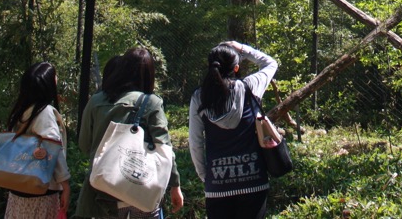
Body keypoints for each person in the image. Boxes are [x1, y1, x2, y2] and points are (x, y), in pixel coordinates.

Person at [75, 47, 183, 219]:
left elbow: (84, 145)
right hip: (141, 191)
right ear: (149, 74)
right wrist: (175, 185)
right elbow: (165, 148)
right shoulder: (152, 103)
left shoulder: (96, 101)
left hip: (102, 193)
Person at [188, 41, 279, 219]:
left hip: (217, 185)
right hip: (254, 181)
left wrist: (205, 176)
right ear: (236, 68)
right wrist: (243, 49)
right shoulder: (251, 87)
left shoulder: (199, 97)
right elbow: (270, 63)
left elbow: (195, 142)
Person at [3, 61, 72, 219]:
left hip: (18, 190)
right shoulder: (45, 113)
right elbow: (54, 150)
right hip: (41, 192)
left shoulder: (21, 111)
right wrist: (65, 185)